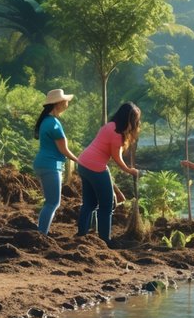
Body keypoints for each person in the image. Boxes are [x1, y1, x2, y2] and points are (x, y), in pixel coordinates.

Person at [76, 102, 142, 244]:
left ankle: (81, 234)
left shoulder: (109, 126)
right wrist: (130, 170)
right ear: (129, 120)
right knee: (107, 205)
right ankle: (105, 240)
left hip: (83, 163)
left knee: (89, 203)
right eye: (135, 120)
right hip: (96, 167)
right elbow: (117, 158)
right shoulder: (117, 134)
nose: (137, 123)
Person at [31, 88, 78, 235]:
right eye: (65, 101)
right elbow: (63, 149)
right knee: (53, 203)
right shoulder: (54, 123)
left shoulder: (46, 121)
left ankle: (41, 232)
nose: (67, 103)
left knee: (49, 202)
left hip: (43, 164)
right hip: (51, 166)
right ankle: (41, 234)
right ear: (58, 103)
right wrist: (79, 160)